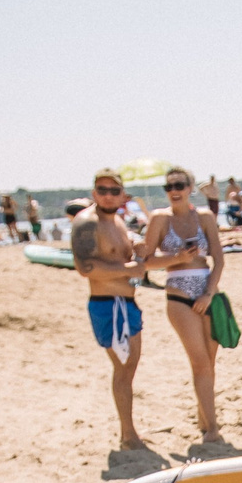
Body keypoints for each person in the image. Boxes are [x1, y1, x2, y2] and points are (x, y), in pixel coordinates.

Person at [141, 167, 228, 446]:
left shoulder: (204, 218)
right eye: (168, 187)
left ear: (190, 187)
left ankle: (204, 419)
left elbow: (219, 260)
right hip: (178, 294)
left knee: (209, 363)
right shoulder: (159, 219)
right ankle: (213, 429)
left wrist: (208, 294)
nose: (174, 190)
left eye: (179, 184)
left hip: (206, 292)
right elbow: (146, 262)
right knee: (199, 361)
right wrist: (175, 257)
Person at [72, 169, 153, 448]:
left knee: (130, 367)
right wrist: (128, 268)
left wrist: (136, 244)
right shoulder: (86, 222)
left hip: (127, 303)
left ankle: (130, 431)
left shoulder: (117, 221)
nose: (108, 195)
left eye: (113, 190)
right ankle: (128, 435)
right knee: (122, 369)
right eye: (102, 190)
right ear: (94, 193)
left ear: (123, 195)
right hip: (108, 305)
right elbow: (85, 267)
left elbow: (122, 245)